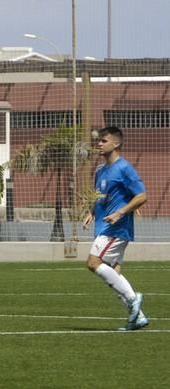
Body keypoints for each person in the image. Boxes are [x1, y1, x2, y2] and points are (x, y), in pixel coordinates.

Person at [82, 126, 149, 331]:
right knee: (112, 272)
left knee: (93, 263)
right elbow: (101, 196)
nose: (99, 144)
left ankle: (132, 297)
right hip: (104, 225)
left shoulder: (125, 168)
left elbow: (141, 196)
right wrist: (92, 211)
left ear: (116, 144)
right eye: (99, 141)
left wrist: (122, 212)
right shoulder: (100, 170)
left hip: (116, 227)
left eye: (103, 141)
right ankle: (138, 318)